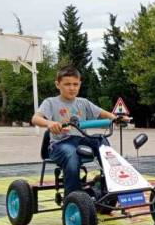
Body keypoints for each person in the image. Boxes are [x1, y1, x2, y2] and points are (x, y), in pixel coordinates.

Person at [31, 66, 123, 195]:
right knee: (72, 153)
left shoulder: (83, 102)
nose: (72, 88)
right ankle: (73, 197)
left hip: (80, 140)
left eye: (75, 84)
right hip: (59, 144)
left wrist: (115, 118)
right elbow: (35, 118)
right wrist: (50, 123)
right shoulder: (51, 102)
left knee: (101, 141)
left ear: (80, 84)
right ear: (58, 84)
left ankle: (111, 185)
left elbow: (102, 113)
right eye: (67, 84)